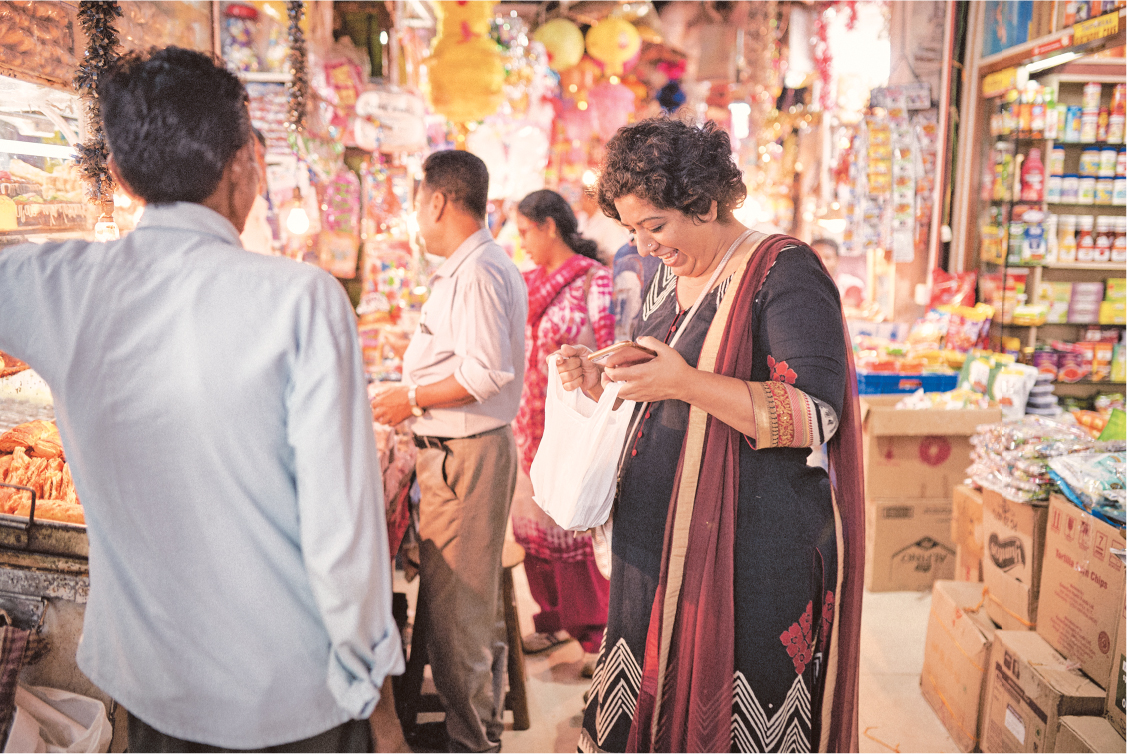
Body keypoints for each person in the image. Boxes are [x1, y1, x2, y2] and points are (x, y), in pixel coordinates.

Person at [0, 48, 406, 752]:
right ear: (245, 160)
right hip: (291, 696)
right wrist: (377, 693)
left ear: (122, 177)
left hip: (152, 690)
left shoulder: (60, 286)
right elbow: (342, 534)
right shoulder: (300, 301)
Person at [555, 118, 865, 753]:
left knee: (737, 716)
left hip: (751, 552)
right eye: (633, 230)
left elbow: (814, 415)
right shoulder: (670, 280)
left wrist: (686, 383)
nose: (644, 247)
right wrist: (602, 380)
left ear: (706, 199)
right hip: (658, 546)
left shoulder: (785, 272)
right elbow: (663, 383)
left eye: (656, 226)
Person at [370, 150, 526, 753]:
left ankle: (470, 742)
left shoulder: (480, 272)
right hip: (460, 453)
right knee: (466, 607)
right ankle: (477, 730)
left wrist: (409, 398)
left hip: (465, 457)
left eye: (416, 203)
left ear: (436, 201)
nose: (416, 217)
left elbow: (487, 372)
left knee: (458, 614)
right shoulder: (472, 268)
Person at [509, 189, 615, 676]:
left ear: (550, 225)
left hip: (572, 425)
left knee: (573, 531)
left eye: (526, 230)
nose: (522, 241)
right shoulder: (526, 284)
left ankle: (596, 640)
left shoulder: (595, 282)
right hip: (526, 425)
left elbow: (612, 350)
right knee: (534, 532)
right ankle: (550, 620)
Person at [610, 238, 661, 343]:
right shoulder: (621, 253)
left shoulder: (660, 251)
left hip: (651, 347)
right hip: (622, 345)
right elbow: (615, 309)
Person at [239, 127, 276, 255]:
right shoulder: (238, 220)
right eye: (257, 156)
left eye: (262, 157)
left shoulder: (257, 211)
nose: (262, 166)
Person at [810, 236, 865, 309]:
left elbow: (852, 302)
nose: (822, 263)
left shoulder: (851, 283)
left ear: (837, 260)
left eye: (827, 258)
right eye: (817, 258)